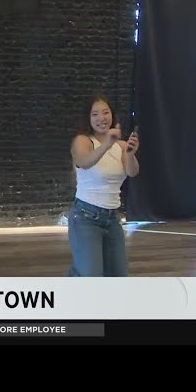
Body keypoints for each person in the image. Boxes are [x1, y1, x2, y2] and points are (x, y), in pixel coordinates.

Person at [67, 94, 140, 277]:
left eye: (106, 112)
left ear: (112, 115)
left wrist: (130, 154)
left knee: (118, 276)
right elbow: (84, 162)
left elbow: (132, 172)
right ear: (88, 118)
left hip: (112, 218)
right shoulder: (83, 141)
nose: (101, 118)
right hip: (85, 217)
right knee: (90, 274)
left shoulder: (121, 145)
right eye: (95, 114)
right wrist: (106, 144)